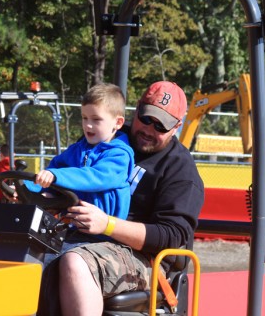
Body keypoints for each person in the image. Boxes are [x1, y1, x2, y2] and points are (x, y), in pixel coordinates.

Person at [36, 80, 205, 316]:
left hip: (143, 259)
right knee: (21, 251)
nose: (149, 129)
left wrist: (108, 225)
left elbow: (171, 236)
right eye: (146, 119)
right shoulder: (109, 137)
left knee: (76, 263)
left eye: (160, 126)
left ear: (176, 127)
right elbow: (72, 173)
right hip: (82, 235)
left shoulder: (180, 170)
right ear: (134, 112)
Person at [31, 83, 134, 220]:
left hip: (104, 235)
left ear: (118, 123)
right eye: (84, 118)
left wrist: (56, 175)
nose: (88, 125)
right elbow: (53, 169)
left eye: (96, 119)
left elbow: (94, 178)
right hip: (73, 226)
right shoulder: (77, 149)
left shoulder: (119, 155)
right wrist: (30, 188)